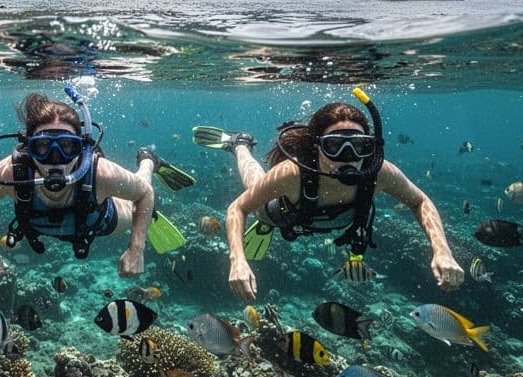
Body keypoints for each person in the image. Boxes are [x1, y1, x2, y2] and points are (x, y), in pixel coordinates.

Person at [195, 88, 460, 301]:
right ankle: (240, 145)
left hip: (327, 219)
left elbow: (420, 200)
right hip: (281, 214)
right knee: (254, 182)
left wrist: (442, 251)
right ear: (317, 147)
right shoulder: (292, 173)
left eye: (359, 146)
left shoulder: (379, 172)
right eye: (334, 146)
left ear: (371, 147)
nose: (348, 158)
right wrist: (237, 261)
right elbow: (237, 209)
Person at [0, 89, 188, 278]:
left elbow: (145, 194)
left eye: (67, 146)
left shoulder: (100, 173)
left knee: (137, 201)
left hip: (101, 222)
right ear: (28, 148)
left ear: (81, 149)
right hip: (55, 224)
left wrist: (136, 248)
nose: (55, 159)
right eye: (43, 147)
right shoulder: (11, 173)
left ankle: (148, 160)